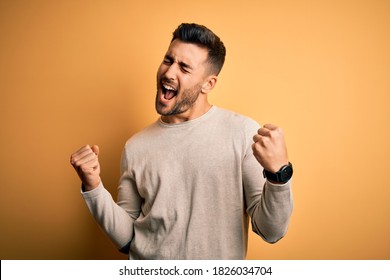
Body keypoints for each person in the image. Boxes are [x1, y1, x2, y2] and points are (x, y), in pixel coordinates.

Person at [70, 23, 293, 260]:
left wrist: (278, 174)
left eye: (184, 68)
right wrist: (93, 187)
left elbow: (271, 231)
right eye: (168, 60)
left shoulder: (242, 133)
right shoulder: (135, 146)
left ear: (209, 84)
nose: (168, 72)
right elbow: (127, 239)